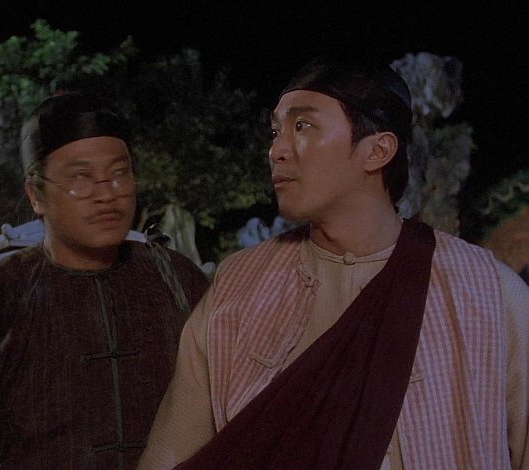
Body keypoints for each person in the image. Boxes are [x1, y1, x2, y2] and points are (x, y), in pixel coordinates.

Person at [138, 56, 529, 469]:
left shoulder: (485, 292)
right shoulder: (238, 288)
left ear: (377, 150)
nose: (276, 150)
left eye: (303, 126)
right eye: (276, 131)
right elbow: (169, 452)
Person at [0, 92, 210, 469]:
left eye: (119, 174)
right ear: (36, 195)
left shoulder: (177, 279)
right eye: (81, 178)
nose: (106, 194)